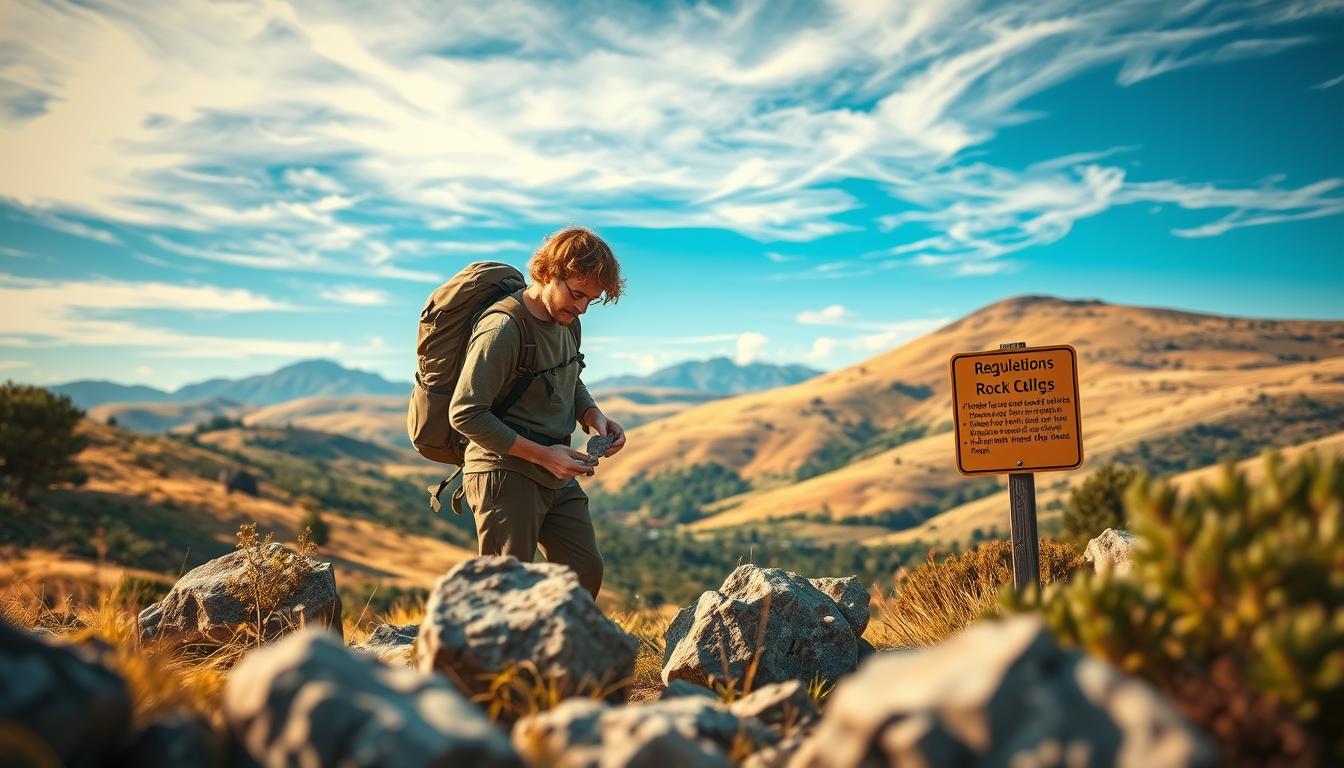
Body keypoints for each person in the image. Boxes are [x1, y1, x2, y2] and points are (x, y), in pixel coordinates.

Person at [448, 226, 626, 599]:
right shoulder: (503, 328)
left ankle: (553, 652)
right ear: (547, 273)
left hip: (555, 468)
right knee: (507, 589)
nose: (581, 308)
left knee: (584, 570)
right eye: (576, 294)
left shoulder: (568, 323)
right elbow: (464, 413)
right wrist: (543, 455)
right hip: (504, 470)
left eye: (590, 301)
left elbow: (568, 378)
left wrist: (593, 417)